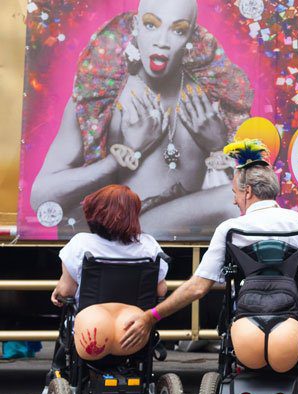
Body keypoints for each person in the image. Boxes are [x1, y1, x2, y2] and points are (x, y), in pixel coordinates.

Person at [30, 0, 253, 239]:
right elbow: (41, 197)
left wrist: (219, 146)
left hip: (176, 241)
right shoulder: (103, 96)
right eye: (151, 25)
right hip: (117, 232)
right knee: (228, 201)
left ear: (191, 36)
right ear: (136, 25)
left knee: (241, 200)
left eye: (178, 30)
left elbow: (255, 191)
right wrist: (122, 157)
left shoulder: (209, 102)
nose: (162, 42)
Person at [119, 140, 298, 373]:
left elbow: (197, 288)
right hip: (293, 327)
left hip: (245, 327)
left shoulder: (231, 230)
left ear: (248, 191)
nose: (234, 200)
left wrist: (152, 316)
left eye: (234, 192)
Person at [51, 185, 169, 360]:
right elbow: (160, 291)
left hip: (93, 331)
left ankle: (56, 372)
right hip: (132, 332)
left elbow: (66, 291)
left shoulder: (81, 244)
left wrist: (57, 292)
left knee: (67, 329)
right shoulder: (149, 246)